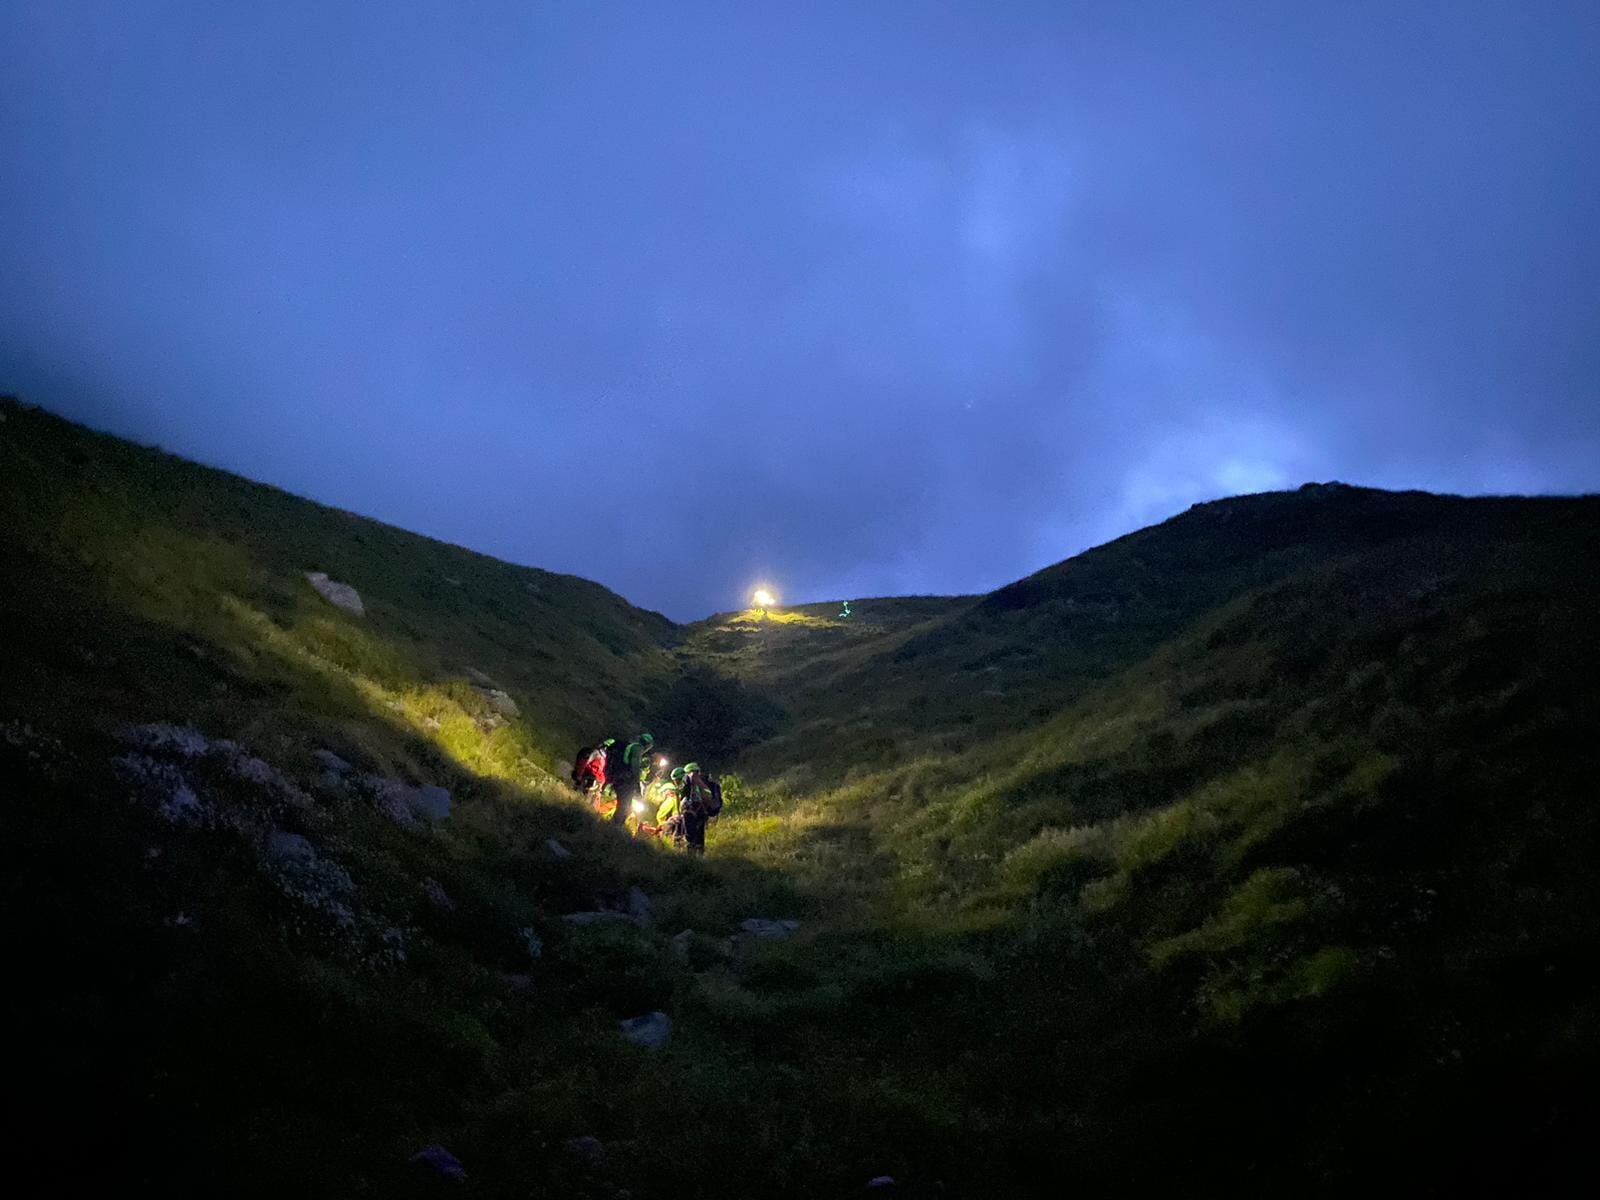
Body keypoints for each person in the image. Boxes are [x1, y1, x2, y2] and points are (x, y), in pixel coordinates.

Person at [676, 761, 723, 856]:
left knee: (690, 836)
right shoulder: (708, 782)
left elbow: (692, 778)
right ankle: (699, 858)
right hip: (702, 812)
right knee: (699, 835)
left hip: (691, 811)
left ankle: (690, 858)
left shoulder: (690, 777)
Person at [607, 732, 653, 826]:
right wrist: (637, 782)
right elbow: (634, 766)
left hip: (619, 776)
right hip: (626, 779)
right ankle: (614, 827)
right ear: (647, 745)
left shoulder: (631, 746)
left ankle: (614, 825)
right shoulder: (638, 748)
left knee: (623, 805)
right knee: (624, 806)